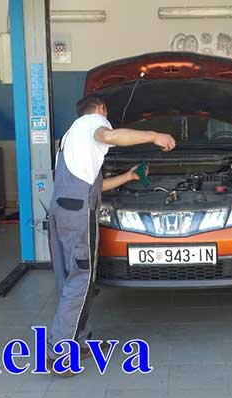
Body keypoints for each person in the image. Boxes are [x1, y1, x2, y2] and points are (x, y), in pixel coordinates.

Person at [47, 95, 175, 375]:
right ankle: (58, 352)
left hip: (61, 209)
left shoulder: (72, 137)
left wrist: (128, 177)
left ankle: (77, 340)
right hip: (77, 213)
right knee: (81, 278)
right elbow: (108, 135)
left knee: (71, 277)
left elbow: (96, 185)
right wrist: (155, 136)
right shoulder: (94, 122)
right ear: (101, 109)